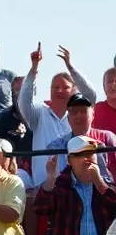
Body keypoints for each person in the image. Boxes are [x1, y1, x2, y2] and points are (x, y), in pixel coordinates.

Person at [33, 138, 116, 235]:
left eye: (90, 153)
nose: (87, 158)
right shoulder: (60, 186)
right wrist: (50, 179)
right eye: (80, 154)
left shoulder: (106, 185)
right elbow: (40, 208)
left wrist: (99, 183)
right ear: (70, 160)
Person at [19, 44, 98, 187]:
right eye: (55, 87)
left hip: (76, 188)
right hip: (44, 189)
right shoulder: (39, 114)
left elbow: (90, 95)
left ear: (74, 91)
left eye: (65, 87)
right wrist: (34, 68)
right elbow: (24, 101)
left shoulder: (78, 116)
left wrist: (71, 68)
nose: (59, 91)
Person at [45, 94, 116, 183]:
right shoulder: (57, 146)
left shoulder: (108, 138)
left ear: (93, 115)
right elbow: (53, 181)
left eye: (83, 111)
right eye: (74, 112)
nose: (78, 115)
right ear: (68, 118)